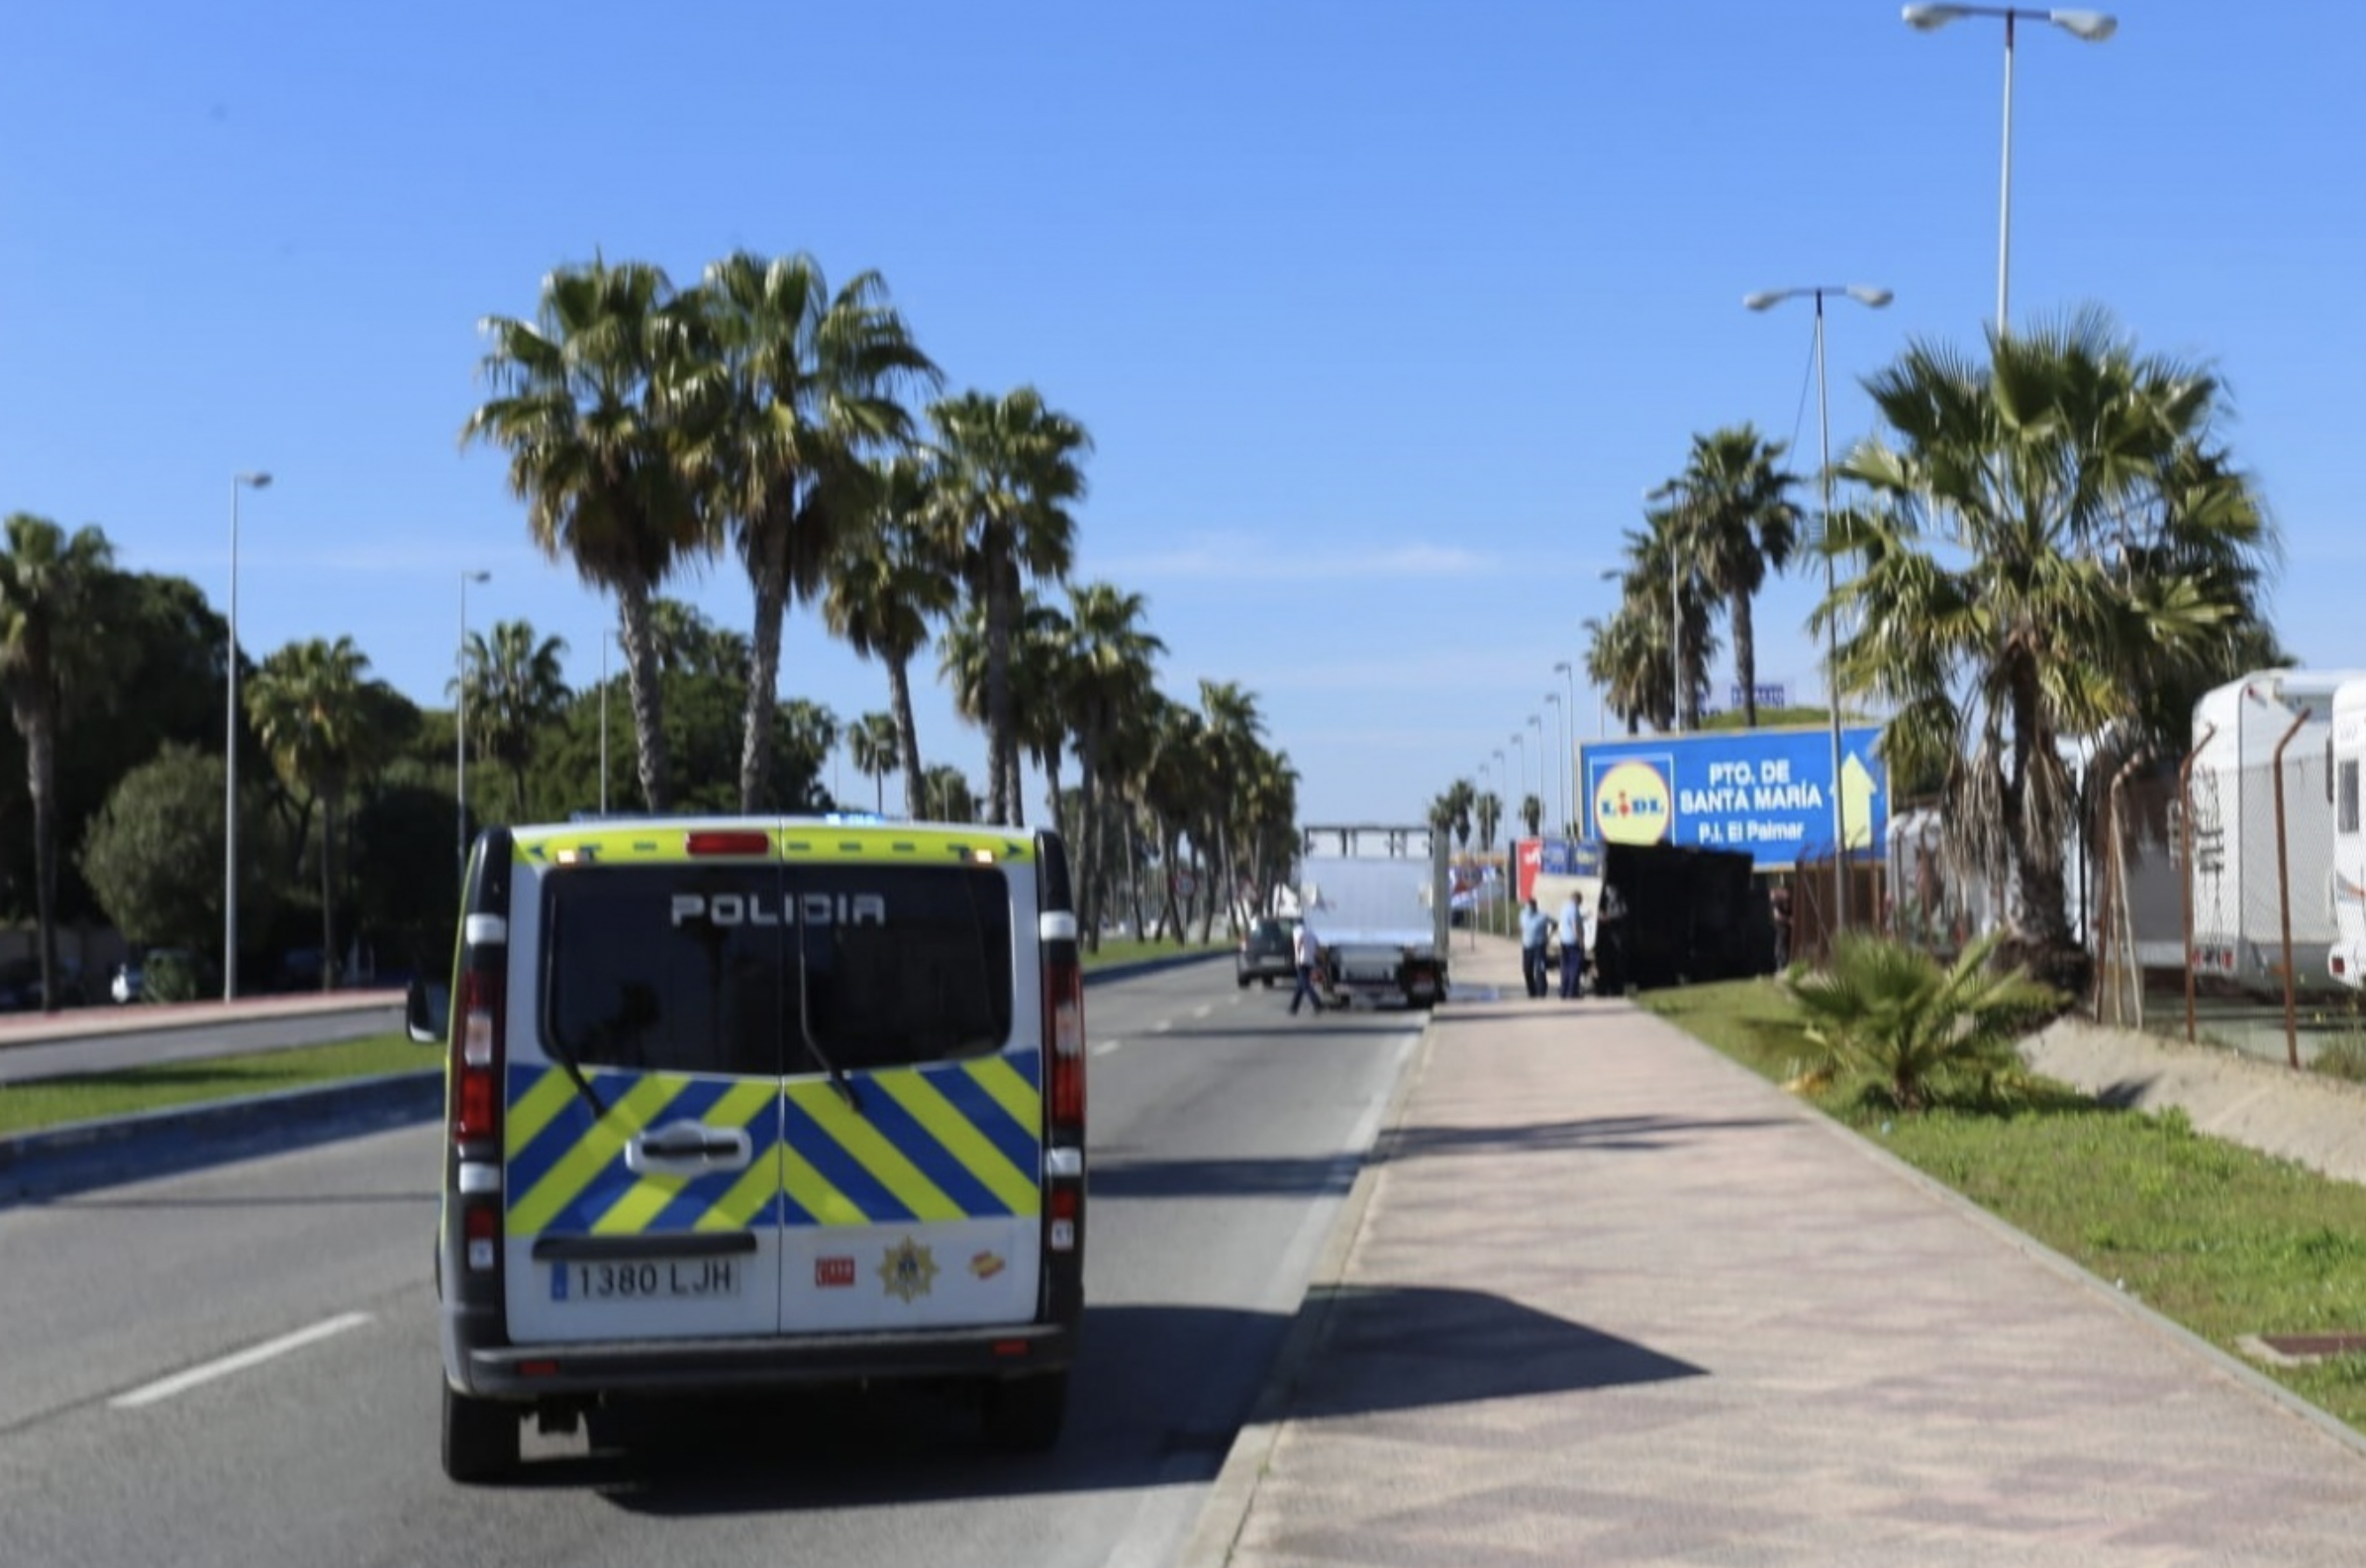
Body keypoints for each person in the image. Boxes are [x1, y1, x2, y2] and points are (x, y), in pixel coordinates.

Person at [1287, 919, 1325, 1017]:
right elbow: (1318, 946)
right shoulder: (1311, 933)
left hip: (1301, 960)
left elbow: (1299, 942)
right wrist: (1320, 959)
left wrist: (1297, 956)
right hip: (1310, 960)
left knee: (1305, 984)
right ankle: (1293, 1008)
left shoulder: (1297, 931)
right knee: (1300, 985)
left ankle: (1317, 1003)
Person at [1518, 898, 1549, 998]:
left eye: (1531, 906)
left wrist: (1547, 936)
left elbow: (1555, 923)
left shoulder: (1542, 916)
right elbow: (1521, 926)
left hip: (1539, 946)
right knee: (1527, 969)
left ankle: (1541, 991)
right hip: (1527, 946)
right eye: (1527, 906)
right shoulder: (1522, 915)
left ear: (1535, 906)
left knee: (1540, 969)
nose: (1529, 909)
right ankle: (1531, 990)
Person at [1558, 890, 1586, 1000]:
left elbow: (1567, 922)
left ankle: (1563, 991)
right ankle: (1572, 992)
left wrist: (1583, 917)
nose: (1581, 903)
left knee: (1565, 967)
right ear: (1578, 899)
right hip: (1573, 942)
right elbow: (1575, 925)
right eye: (1581, 900)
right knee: (1574, 967)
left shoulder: (1564, 908)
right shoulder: (1574, 909)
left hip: (1564, 941)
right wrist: (1580, 940)